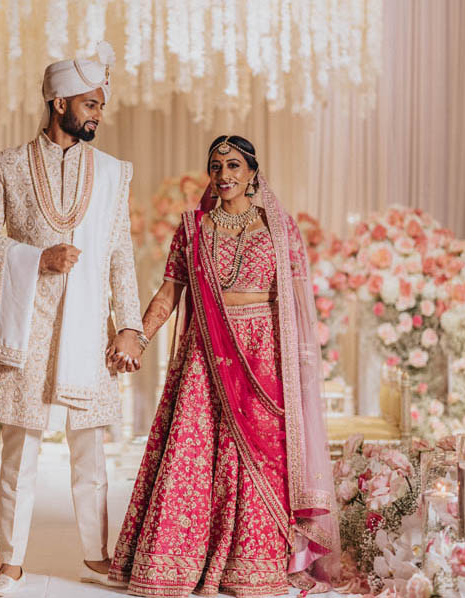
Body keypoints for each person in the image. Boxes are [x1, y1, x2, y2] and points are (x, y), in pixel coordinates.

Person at [107, 135, 339, 597]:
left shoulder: (280, 229)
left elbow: (293, 299)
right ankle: (180, 563)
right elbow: (170, 291)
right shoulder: (192, 230)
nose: (225, 175)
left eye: (234, 165)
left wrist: (302, 360)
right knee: (194, 452)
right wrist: (139, 336)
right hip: (204, 352)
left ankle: (250, 565)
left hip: (261, 355)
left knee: (258, 456)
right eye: (216, 166)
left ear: (253, 172)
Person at [0, 42, 144, 596]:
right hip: (29, 324)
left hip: (89, 328)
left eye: (99, 105)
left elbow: (120, 254)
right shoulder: (9, 166)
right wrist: (35, 258)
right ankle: (12, 563)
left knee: (92, 447)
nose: (98, 114)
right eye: (90, 104)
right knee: (20, 450)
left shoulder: (113, 173)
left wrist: (130, 325)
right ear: (59, 102)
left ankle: (96, 554)